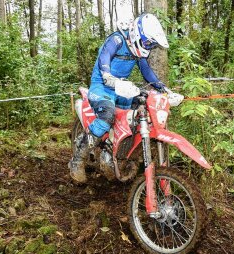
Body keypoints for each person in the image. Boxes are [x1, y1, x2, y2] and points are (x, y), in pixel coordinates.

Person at [69, 13, 171, 184]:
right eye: (148, 42)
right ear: (138, 34)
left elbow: (146, 71)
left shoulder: (138, 50)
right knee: (107, 115)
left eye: (151, 44)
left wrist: (162, 87)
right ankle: (77, 160)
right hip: (101, 86)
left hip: (121, 88)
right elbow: (105, 57)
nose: (149, 46)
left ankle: (115, 155)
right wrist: (107, 75)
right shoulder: (117, 39)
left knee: (138, 114)